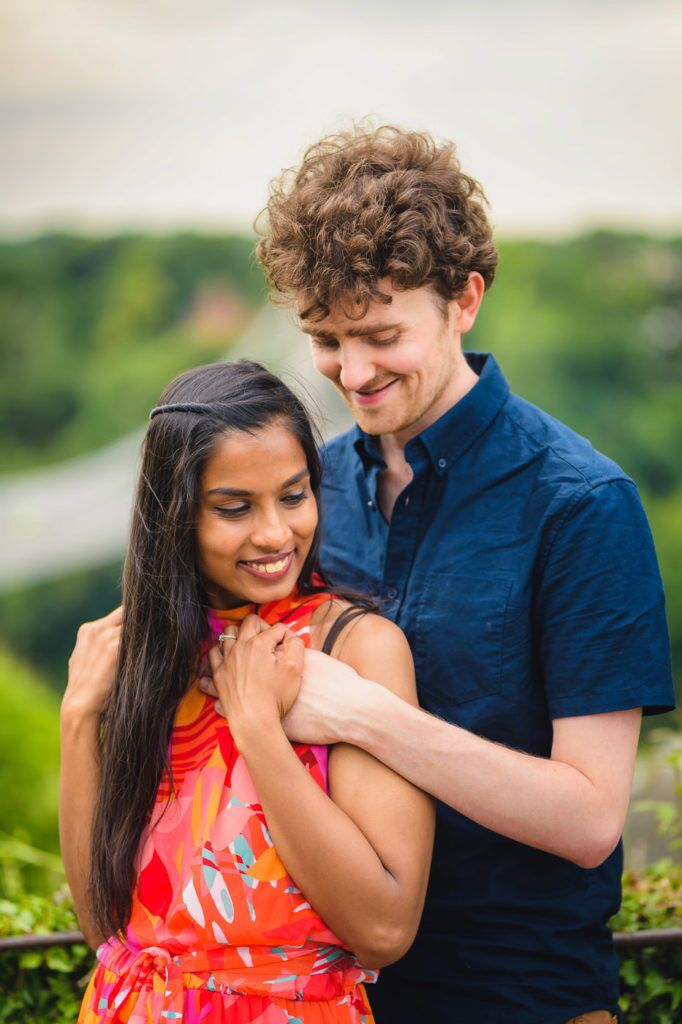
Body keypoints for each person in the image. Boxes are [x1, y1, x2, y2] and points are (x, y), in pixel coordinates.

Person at [212, 125, 675, 1024]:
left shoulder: (582, 505)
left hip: (519, 998)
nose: (353, 372)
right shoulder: (306, 498)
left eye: (382, 335)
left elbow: (587, 823)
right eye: (324, 339)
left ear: (465, 298)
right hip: (322, 996)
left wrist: (370, 718)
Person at [59, 360, 434, 1024]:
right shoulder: (150, 661)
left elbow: (385, 930)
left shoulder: (355, 650)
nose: (274, 533)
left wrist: (258, 727)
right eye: (235, 508)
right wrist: (79, 720)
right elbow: (108, 931)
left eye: (293, 496)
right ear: (174, 516)